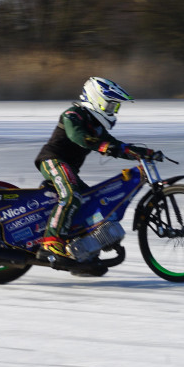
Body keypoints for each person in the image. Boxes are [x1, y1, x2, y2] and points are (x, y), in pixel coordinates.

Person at [33, 77, 161, 258]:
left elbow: (117, 146)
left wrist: (144, 152)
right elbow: (78, 136)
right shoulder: (74, 114)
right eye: (111, 106)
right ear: (97, 100)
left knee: (91, 205)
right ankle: (51, 242)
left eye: (115, 107)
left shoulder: (97, 128)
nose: (113, 111)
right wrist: (102, 146)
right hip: (53, 161)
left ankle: (84, 258)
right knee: (71, 194)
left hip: (69, 170)